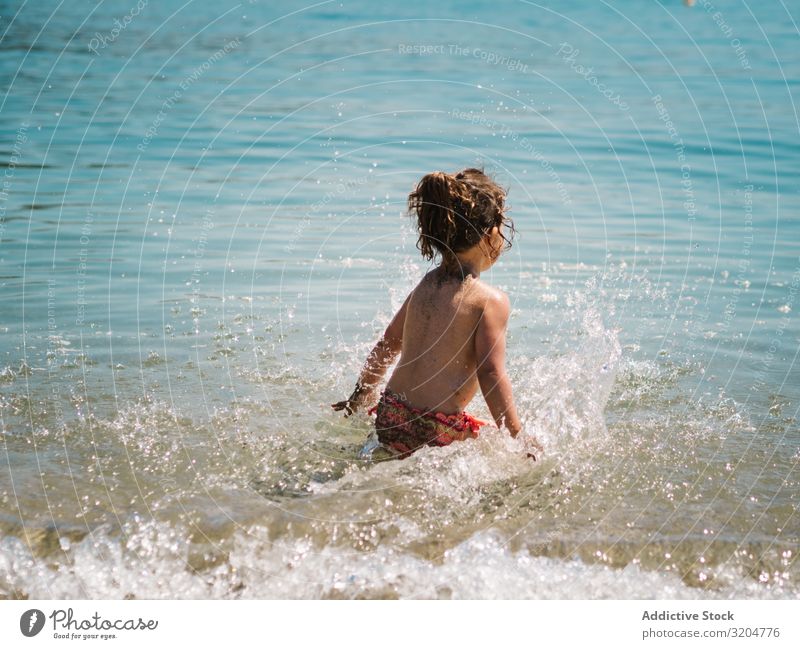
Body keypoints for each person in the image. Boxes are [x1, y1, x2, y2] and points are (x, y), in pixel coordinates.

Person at [332, 167, 541, 460]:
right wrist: (518, 438)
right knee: (494, 446)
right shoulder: (490, 301)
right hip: (435, 429)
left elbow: (387, 345)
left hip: (390, 415)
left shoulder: (426, 284)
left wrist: (358, 398)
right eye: (502, 224)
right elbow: (491, 374)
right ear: (489, 233)